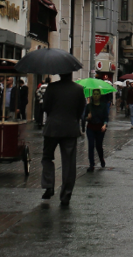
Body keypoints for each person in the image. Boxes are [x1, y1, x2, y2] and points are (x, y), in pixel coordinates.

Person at [41, 73, 86, 206]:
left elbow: (45, 107)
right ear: (71, 74)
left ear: (60, 74)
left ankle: (48, 184)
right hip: (70, 129)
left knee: (47, 157)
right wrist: (74, 119)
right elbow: (81, 109)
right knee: (69, 162)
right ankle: (66, 195)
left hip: (52, 127)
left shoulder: (52, 87)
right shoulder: (78, 89)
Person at [85, 88, 109, 171]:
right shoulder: (89, 106)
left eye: (97, 94)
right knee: (91, 145)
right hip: (91, 128)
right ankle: (91, 164)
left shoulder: (103, 106)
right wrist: (87, 117)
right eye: (94, 94)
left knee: (99, 146)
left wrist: (105, 125)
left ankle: (101, 159)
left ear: (99, 95)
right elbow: (83, 117)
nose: (95, 96)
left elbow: (106, 117)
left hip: (100, 128)